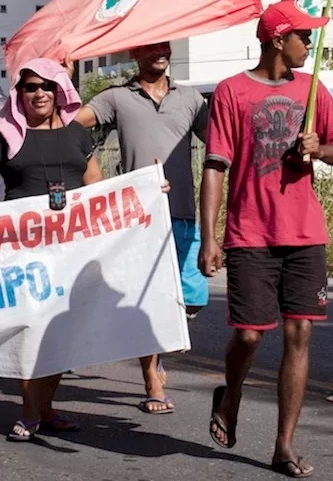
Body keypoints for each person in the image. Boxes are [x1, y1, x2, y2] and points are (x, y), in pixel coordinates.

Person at [199, 0, 333, 479]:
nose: (309, 44)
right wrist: (211, 238)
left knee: (300, 332)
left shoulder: (312, 89)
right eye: (302, 36)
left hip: (305, 233)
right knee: (248, 335)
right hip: (250, 233)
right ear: (276, 39)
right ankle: (232, 393)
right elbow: (214, 167)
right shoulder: (231, 92)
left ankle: (283, 444)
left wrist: (321, 149)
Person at [0, 58, 104, 443]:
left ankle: (45, 408)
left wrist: (146, 192)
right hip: (23, 252)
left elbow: (98, 185)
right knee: (33, 328)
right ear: (19, 94)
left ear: (59, 90)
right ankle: (32, 411)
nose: (39, 93)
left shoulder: (77, 135)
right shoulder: (4, 134)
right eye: (30, 87)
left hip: (71, 248)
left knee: (60, 331)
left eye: (47, 86)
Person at [74, 41, 209, 416]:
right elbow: (72, 128)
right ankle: (151, 380)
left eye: (164, 46)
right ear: (134, 54)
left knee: (193, 298)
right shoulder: (117, 98)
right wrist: (95, 169)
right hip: (139, 217)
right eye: (150, 47)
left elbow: (219, 142)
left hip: (182, 213)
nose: (160, 52)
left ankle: (158, 354)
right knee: (148, 302)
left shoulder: (192, 99)